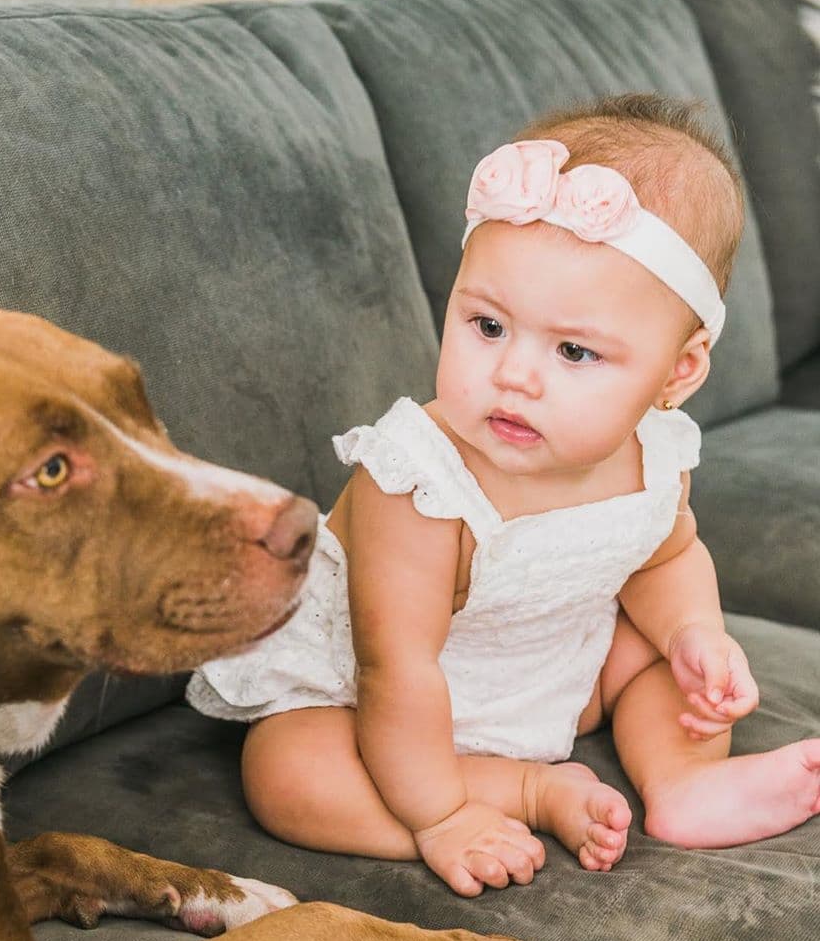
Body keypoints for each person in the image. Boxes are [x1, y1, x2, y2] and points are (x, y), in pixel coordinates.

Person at [187, 94, 820, 897]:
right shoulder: (418, 483)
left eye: (575, 351)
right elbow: (398, 670)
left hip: (558, 668)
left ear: (678, 373)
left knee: (675, 671)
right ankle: (519, 792)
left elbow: (668, 555)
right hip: (386, 701)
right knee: (288, 773)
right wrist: (439, 815)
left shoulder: (657, 455)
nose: (515, 376)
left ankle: (683, 785)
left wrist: (695, 632)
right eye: (487, 326)